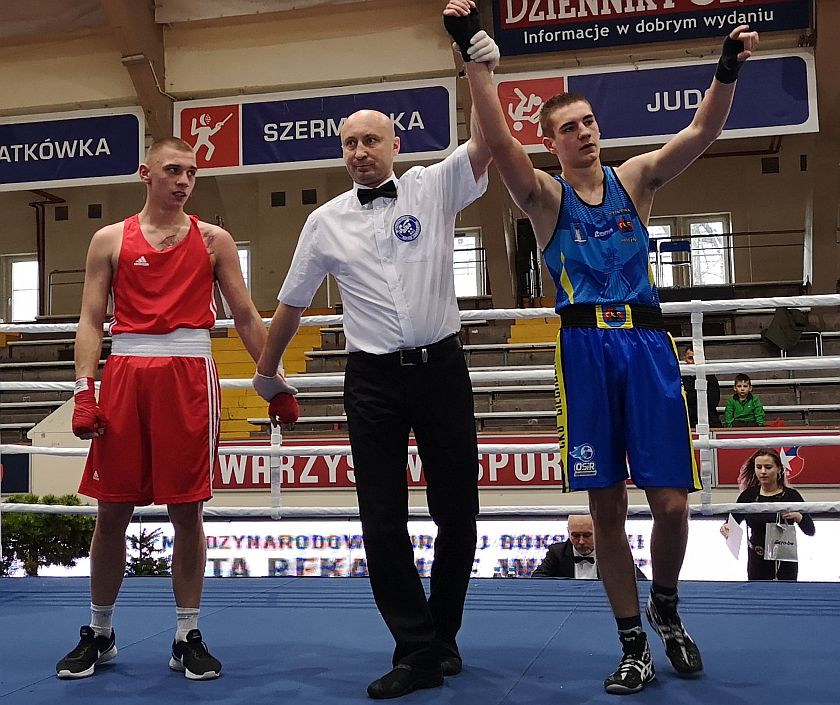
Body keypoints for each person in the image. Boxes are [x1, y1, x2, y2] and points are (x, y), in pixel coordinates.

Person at [448, 0, 758, 693]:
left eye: (588, 122)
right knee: (608, 510)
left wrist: (727, 69)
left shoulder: (636, 179)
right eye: (568, 128)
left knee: (673, 505)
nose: (584, 133)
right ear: (550, 140)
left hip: (647, 346)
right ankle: (631, 644)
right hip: (584, 352)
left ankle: (667, 604)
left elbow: (703, 131)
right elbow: (497, 143)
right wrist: (473, 58)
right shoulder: (544, 198)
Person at [252, 29, 497, 699]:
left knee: (459, 512)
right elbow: (291, 304)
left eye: (370, 140)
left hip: (442, 368)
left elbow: (487, 142)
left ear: (394, 145)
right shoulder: (324, 221)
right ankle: (415, 647)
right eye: (349, 143)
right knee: (382, 517)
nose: (359, 152)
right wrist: (266, 370)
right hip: (372, 381)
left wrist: (478, 64)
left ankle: (442, 635)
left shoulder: (433, 186)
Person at [56, 137, 296, 681]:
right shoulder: (109, 239)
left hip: (190, 376)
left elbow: (244, 315)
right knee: (111, 509)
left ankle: (187, 635)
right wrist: (84, 390)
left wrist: (273, 382)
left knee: (187, 510)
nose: (184, 181)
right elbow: (92, 319)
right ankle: (100, 631)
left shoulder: (214, 241)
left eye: (190, 172)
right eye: (172, 170)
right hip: (125, 377)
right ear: (146, 173)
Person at [720, 448, 814, 580]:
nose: (763, 472)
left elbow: (811, 530)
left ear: (779, 469)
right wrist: (726, 527)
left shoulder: (792, 495)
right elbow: (731, 522)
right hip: (757, 560)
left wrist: (799, 517)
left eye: (768, 467)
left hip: (784, 561)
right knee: (758, 597)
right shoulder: (748, 495)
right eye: (759, 467)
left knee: (785, 597)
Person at [532, 514, 646, 580]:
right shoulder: (556, 553)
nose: (581, 541)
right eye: (575, 535)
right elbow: (537, 580)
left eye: (587, 535)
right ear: (568, 532)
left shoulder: (613, 553)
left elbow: (641, 582)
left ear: (598, 532)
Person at [681, 346, 721, 428]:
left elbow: (713, 401)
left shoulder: (710, 377)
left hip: (708, 417)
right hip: (688, 418)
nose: (694, 362)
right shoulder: (680, 378)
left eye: (696, 358)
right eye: (690, 358)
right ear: (685, 359)